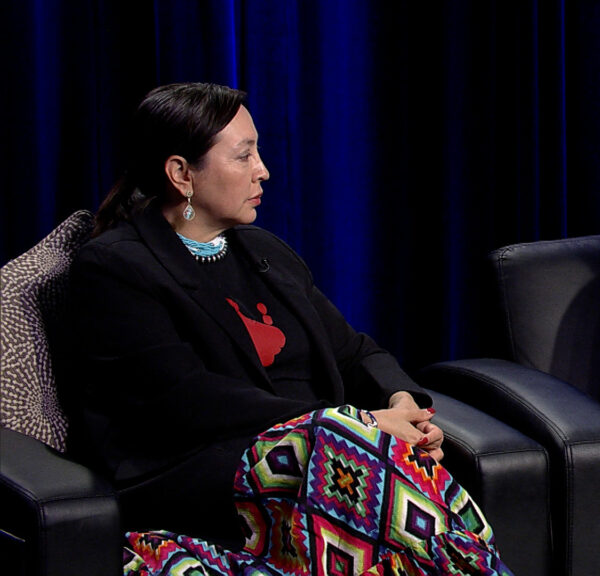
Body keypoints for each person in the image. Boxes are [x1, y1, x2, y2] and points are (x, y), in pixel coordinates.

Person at [63, 83, 512, 576]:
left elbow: (355, 350)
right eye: (244, 156)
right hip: (197, 467)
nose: (264, 170)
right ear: (181, 174)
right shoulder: (115, 268)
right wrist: (349, 423)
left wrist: (401, 401)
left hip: (327, 448)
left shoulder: (265, 252)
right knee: (349, 446)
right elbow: (187, 399)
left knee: (379, 451)